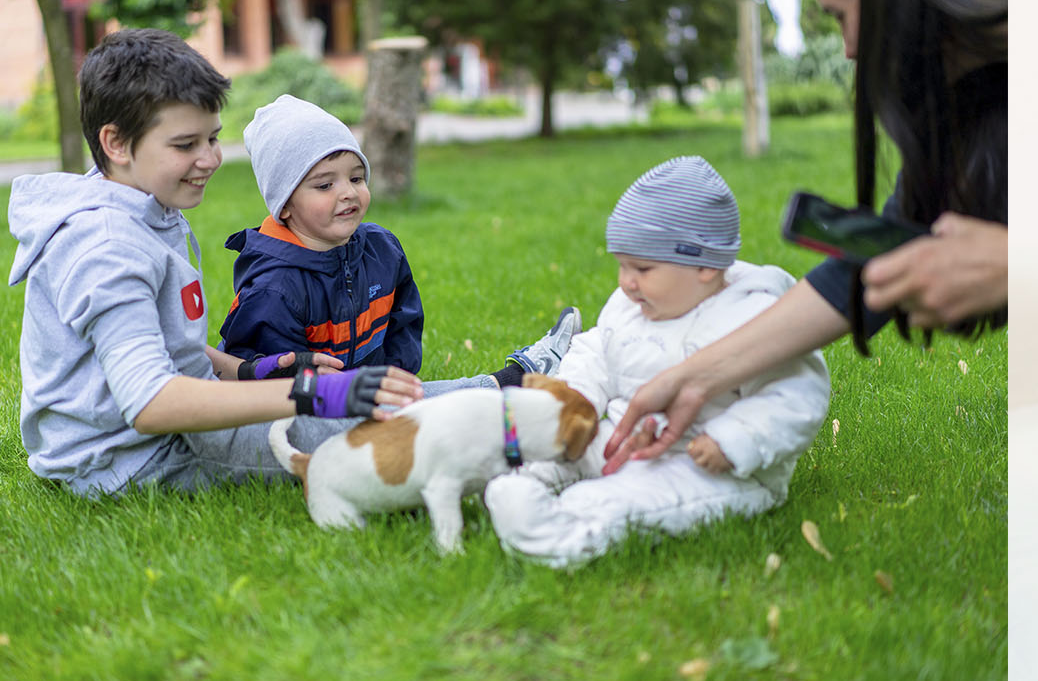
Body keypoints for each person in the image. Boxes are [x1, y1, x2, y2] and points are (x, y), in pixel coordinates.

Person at [602, 0, 1007, 467]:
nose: (849, 49)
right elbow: (856, 282)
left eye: (839, 17)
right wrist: (695, 376)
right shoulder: (972, 107)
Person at [6, 29, 423, 497]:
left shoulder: (139, 208)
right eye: (186, 145)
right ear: (117, 144)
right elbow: (149, 402)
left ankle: (506, 382)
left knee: (377, 410)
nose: (210, 159)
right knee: (377, 428)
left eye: (213, 138)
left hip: (152, 438)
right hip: (129, 458)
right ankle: (508, 390)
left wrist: (246, 372)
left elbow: (152, 343)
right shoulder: (106, 247)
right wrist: (316, 394)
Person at [481, 157, 830, 567]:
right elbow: (596, 350)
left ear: (704, 265)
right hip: (626, 434)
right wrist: (578, 399)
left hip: (707, 464)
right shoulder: (631, 305)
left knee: (635, 500)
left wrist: (733, 442)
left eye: (642, 268)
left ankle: (561, 532)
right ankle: (515, 479)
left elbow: (794, 397)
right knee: (556, 449)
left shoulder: (756, 317)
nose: (626, 282)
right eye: (622, 265)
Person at [219, 94, 578, 389]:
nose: (348, 193)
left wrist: (397, 379)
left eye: (356, 178)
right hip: (309, 412)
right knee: (421, 417)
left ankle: (530, 380)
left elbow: (404, 323)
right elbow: (270, 384)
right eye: (325, 185)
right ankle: (516, 382)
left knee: (417, 406)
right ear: (285, 207)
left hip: (370, 394)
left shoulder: (381, 249)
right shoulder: (273, 286)